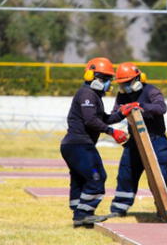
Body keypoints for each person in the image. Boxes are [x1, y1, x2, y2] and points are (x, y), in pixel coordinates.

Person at [60, 57, 129, 228]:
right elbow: (91, 120)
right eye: (104, 79)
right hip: (79, 146)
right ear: (92, 76)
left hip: (75, 146)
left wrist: (122, 113)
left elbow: (103, 118)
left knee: (80, 179)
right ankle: (83, 214)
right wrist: (113, 132)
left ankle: (79, 214)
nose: (108, 84)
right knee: (96, 177)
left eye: (109, 80)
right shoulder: (87, 94)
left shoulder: (94, 95)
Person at [105, 62, 167, 219]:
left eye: (127, 83)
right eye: (122, 84)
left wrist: (141, 105)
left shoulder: (151, 91)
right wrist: (122, 111)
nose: (125, 87)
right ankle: (119, 208)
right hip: (135, 141)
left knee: (159, 176)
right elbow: (115, 114)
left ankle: (164, 209)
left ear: (137, 79)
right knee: (126, 173)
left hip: (156, 140)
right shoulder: (122, 95)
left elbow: (161, 108)